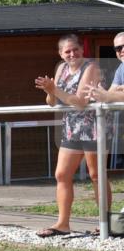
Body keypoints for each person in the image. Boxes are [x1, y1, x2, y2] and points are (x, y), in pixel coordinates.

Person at [34, 33, 108, 237]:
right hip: (71, 128)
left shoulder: (91, 67)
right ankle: (63, 223)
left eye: (75, 49)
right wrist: (49, 91)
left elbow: (80, 102)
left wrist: (55, 89)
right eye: (67, 51)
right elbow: (52, 102)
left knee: (96, 175)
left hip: (93, 126)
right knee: (62, 174)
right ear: (60, 53)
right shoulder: (61, 68)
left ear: (82, 49)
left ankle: (105, 222)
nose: (72, 54)